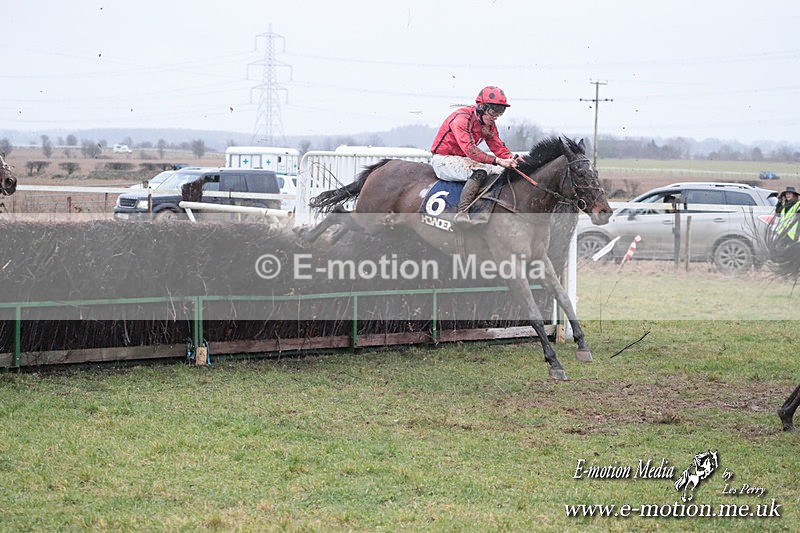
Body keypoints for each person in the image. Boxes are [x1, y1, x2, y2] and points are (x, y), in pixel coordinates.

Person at [430, 86, 518, 226]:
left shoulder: (489, 124)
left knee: (500, 171)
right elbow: (470, 149)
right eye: (493, 110)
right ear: (481, 107)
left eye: (501, 111)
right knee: (481, 171)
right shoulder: (462, 118)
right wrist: (497, 160)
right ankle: (462, 212)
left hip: (462, 160)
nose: (496, 115)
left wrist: (513, 160)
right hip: (443, 160)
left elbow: (498, 146)